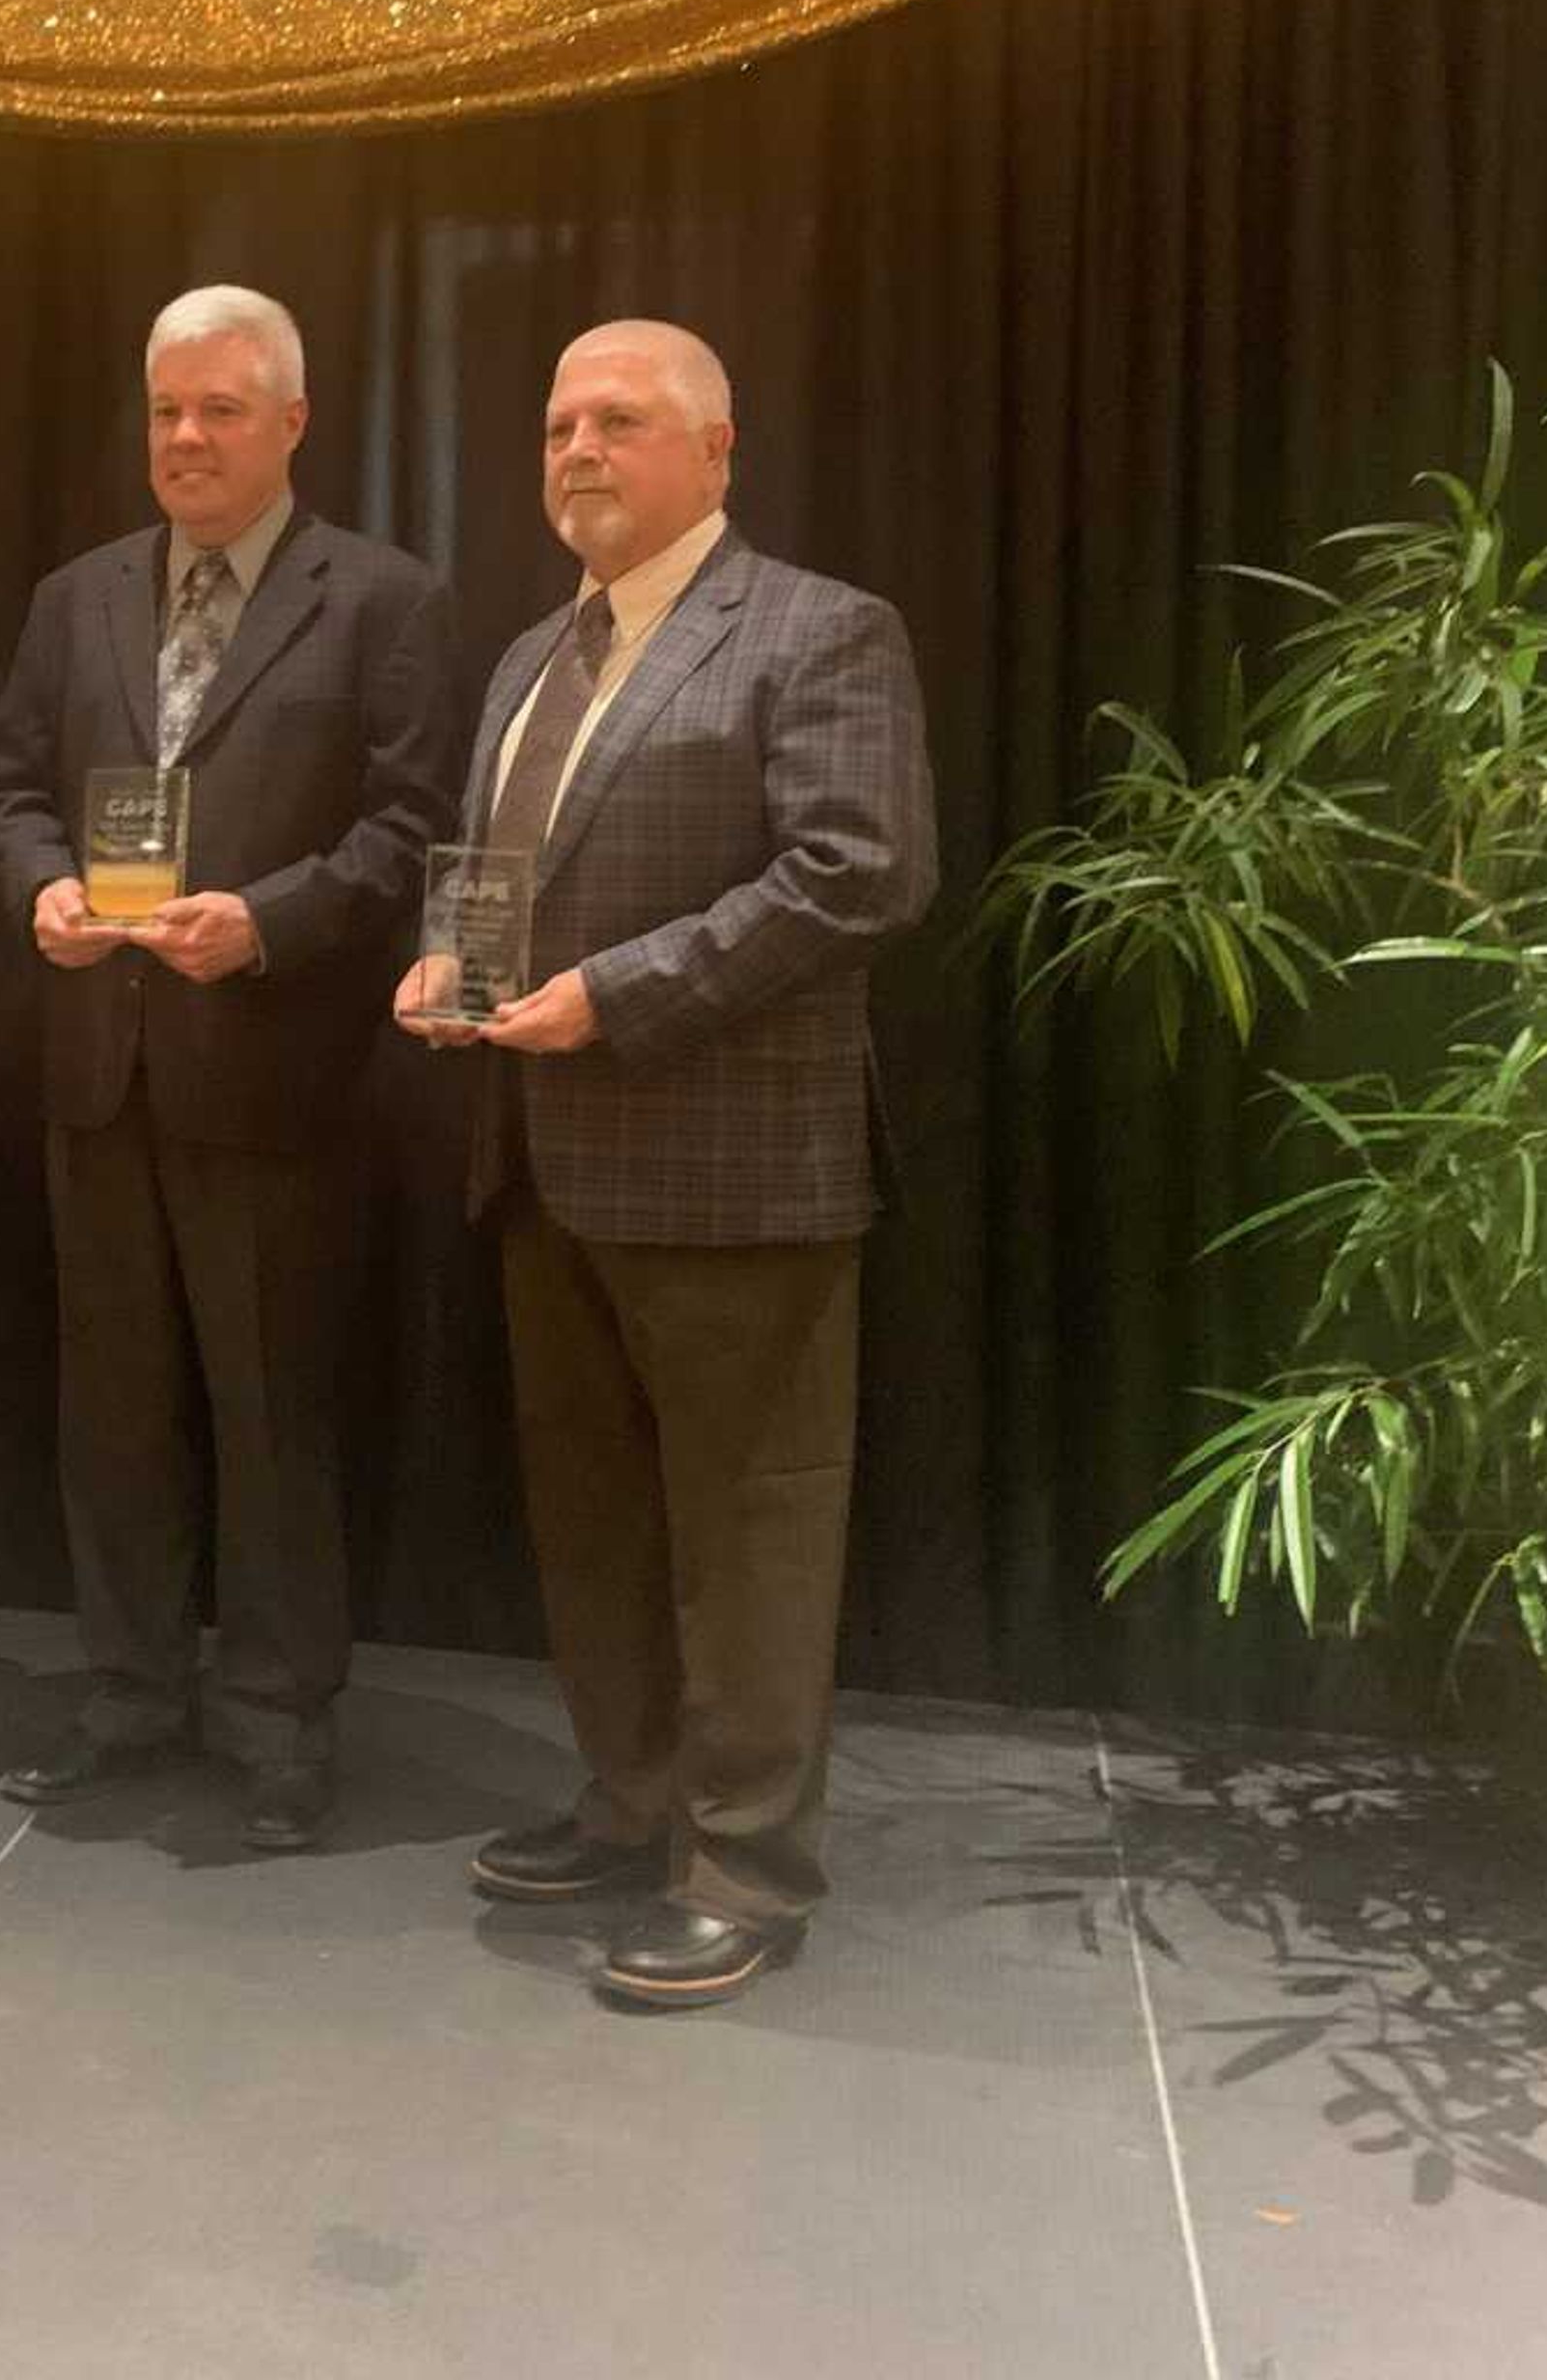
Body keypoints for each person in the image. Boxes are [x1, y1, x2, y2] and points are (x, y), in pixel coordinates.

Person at [397, 319, 934, 2008]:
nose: (575, 451)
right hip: (545, 1163)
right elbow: (497, 874)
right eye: (557, 422)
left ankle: (747, 1863)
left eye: (617, 421)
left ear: (714, 451)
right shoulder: (530, 659)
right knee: (598, 1520)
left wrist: (609, 999)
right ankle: (631, 1803)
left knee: (749, 1533)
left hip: (735, 1178)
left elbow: (857, 873)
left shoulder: (819, 631)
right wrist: (448, 970)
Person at [0, 284, 457, 1851]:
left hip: (274, 1073)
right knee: (111, 1411)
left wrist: (263, 922)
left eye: (220, 410)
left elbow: (409, 830)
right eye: (166, 410)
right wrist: (40, 876)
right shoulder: (76, 596)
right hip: (99, 1067)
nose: (185, 437)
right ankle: (128, 1696)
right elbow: (5, 788)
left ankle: (276, 1727)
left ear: (293, 423)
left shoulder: (383, 600)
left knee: (269, 1415)